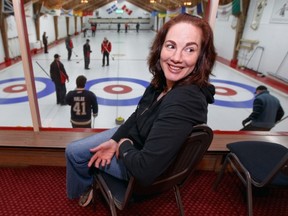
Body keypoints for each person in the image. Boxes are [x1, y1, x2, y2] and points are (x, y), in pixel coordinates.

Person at [65, 13, 216, 207]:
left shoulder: (184, 102)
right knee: (74, 149)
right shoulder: (160, 83)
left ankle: (84, 189)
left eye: (190, 49)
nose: (177, 58)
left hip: (139, 163)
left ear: (201, 55)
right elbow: (138, 115)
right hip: (140, 137)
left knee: (76, 154)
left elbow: (145, 170)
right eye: (171, 46)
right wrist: (114, 140)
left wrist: (124, 145)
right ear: (161, 48)